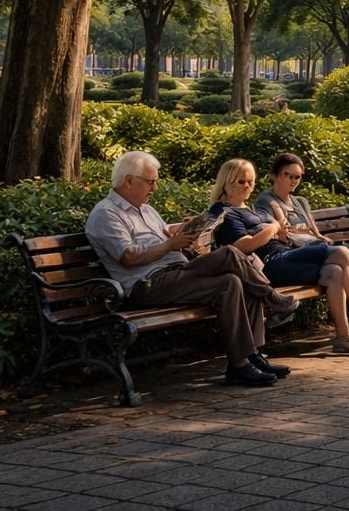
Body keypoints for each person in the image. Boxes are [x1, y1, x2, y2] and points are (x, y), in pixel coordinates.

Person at [85, 150, 299, 387]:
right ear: (129, 181)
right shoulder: (106, 214)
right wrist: (170, 245)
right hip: (147, 284)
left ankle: (247, 360)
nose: (155, 187)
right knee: (230, 253)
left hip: (177, 272)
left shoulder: (146, 209)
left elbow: (166, 236)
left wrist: (191, 228)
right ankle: (272, 299)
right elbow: (129, 257)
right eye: (151, 181)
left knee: (232, 281)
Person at [211, 159, 349, 356]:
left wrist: (279, 232)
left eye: (250, 181)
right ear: (226, 182)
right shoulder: (226, 212)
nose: (247, 186)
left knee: (334, 272)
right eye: (241, 181)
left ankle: (343, 338)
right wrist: (273, 228)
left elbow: (275, 235)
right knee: (341, 252)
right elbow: (244, 246)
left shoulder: (249, 209)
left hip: (283, 256)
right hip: (269, 264)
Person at [254, 152, 349, 295]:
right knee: (342, 252)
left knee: (343, 251)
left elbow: (311, 228)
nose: (293, 180)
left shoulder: (299, 201)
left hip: (311, 247)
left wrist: (319, 236)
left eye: (297, 177)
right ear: (274, 175)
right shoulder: (267, 199)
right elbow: (278, 231)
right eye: (288, 175)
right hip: (294, 253)